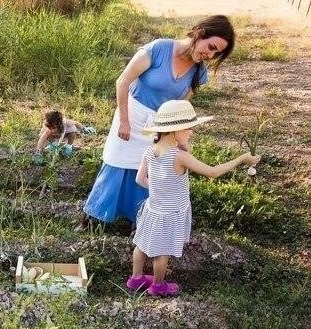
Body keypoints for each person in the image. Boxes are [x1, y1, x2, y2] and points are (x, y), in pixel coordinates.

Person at [78, 15, 236, 232]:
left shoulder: (199, 73)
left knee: (152, 169)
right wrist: (124, 121)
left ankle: (140, 221)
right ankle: (94, 218)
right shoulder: (159, 49)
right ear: (200, 34)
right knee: (115, 162)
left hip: (159, 126)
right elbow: (122, 81)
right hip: (131, 115)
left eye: (216, 53)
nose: (210, 54)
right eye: (211, 47)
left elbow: (180, 108)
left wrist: (177, 139)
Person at [125, 100, 260, 296]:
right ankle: (158, 285)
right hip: (170, 213)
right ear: (175, 130)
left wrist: (158, 190)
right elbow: (212, 172)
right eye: (188, 128)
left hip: (153, 208)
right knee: (162, 252)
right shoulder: (180, 156)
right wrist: (241, 159)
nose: (191, 132)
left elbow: (139, 179)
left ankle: (135, 279)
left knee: (142, 244)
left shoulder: (149, 151)